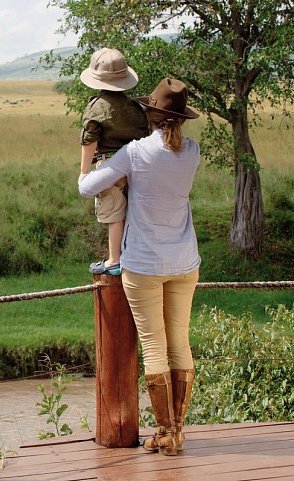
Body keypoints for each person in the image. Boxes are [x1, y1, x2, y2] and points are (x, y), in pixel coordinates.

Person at [78, 78, 201, 456]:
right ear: (181, 118)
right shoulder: (192, 151)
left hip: (144, 263)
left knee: (154, 346)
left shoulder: (135, 152)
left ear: (150, 115)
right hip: (184, 261)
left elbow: (87, 187)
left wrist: (87, 160)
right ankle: (176, 431)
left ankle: (165, 432)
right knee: (180, 341)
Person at [78, 48, 149, 275]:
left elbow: (89, 141)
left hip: (109, 166)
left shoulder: (95, 107)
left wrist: (84, 172)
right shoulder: (137, 107)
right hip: (137, 165)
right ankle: (132, 255)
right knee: (133, 212)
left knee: (114, 214)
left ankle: (114, 260)